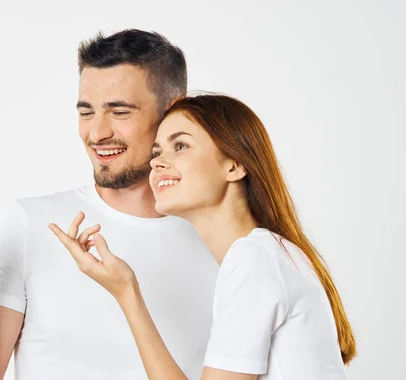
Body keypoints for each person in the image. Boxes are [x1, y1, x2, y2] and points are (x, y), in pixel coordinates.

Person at [0, 30, 218, 380]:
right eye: (87, 112)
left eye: (119, 111)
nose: (97, 133)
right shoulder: (32, 224)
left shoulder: (223, 243)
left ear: (173, 111)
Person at [50, 94, 357, 379]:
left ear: (234, 165)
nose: (156, 162)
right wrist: (126, 290)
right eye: (157, 152)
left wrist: (126, 294)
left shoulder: (254, 258)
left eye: (180, 146)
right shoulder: (268, 254)